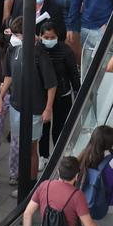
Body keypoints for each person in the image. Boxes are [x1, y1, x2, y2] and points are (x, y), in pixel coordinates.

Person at [0, 20, 58, 188]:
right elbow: (8, 76)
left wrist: (48, 108)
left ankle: (30, 185)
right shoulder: (12, 50)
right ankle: (23, 181)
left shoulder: (40, 54)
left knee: (31, 148)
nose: (15, 38)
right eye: (15, 35)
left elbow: (51, 84)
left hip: (35, 109)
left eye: (18, 35)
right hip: (16, 106)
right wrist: (0, 96)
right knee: (20, 145)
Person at [39, 21, 82, 163]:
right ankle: (43, 156)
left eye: (52, 37)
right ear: (40, 36)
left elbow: (73, 74)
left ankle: (58, 157)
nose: (49, 40)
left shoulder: (66, 51)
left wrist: (78, 91)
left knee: (60, 128)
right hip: (43, 96)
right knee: (43, 129)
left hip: (62, 95)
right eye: (46, 37)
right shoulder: (38, 50)